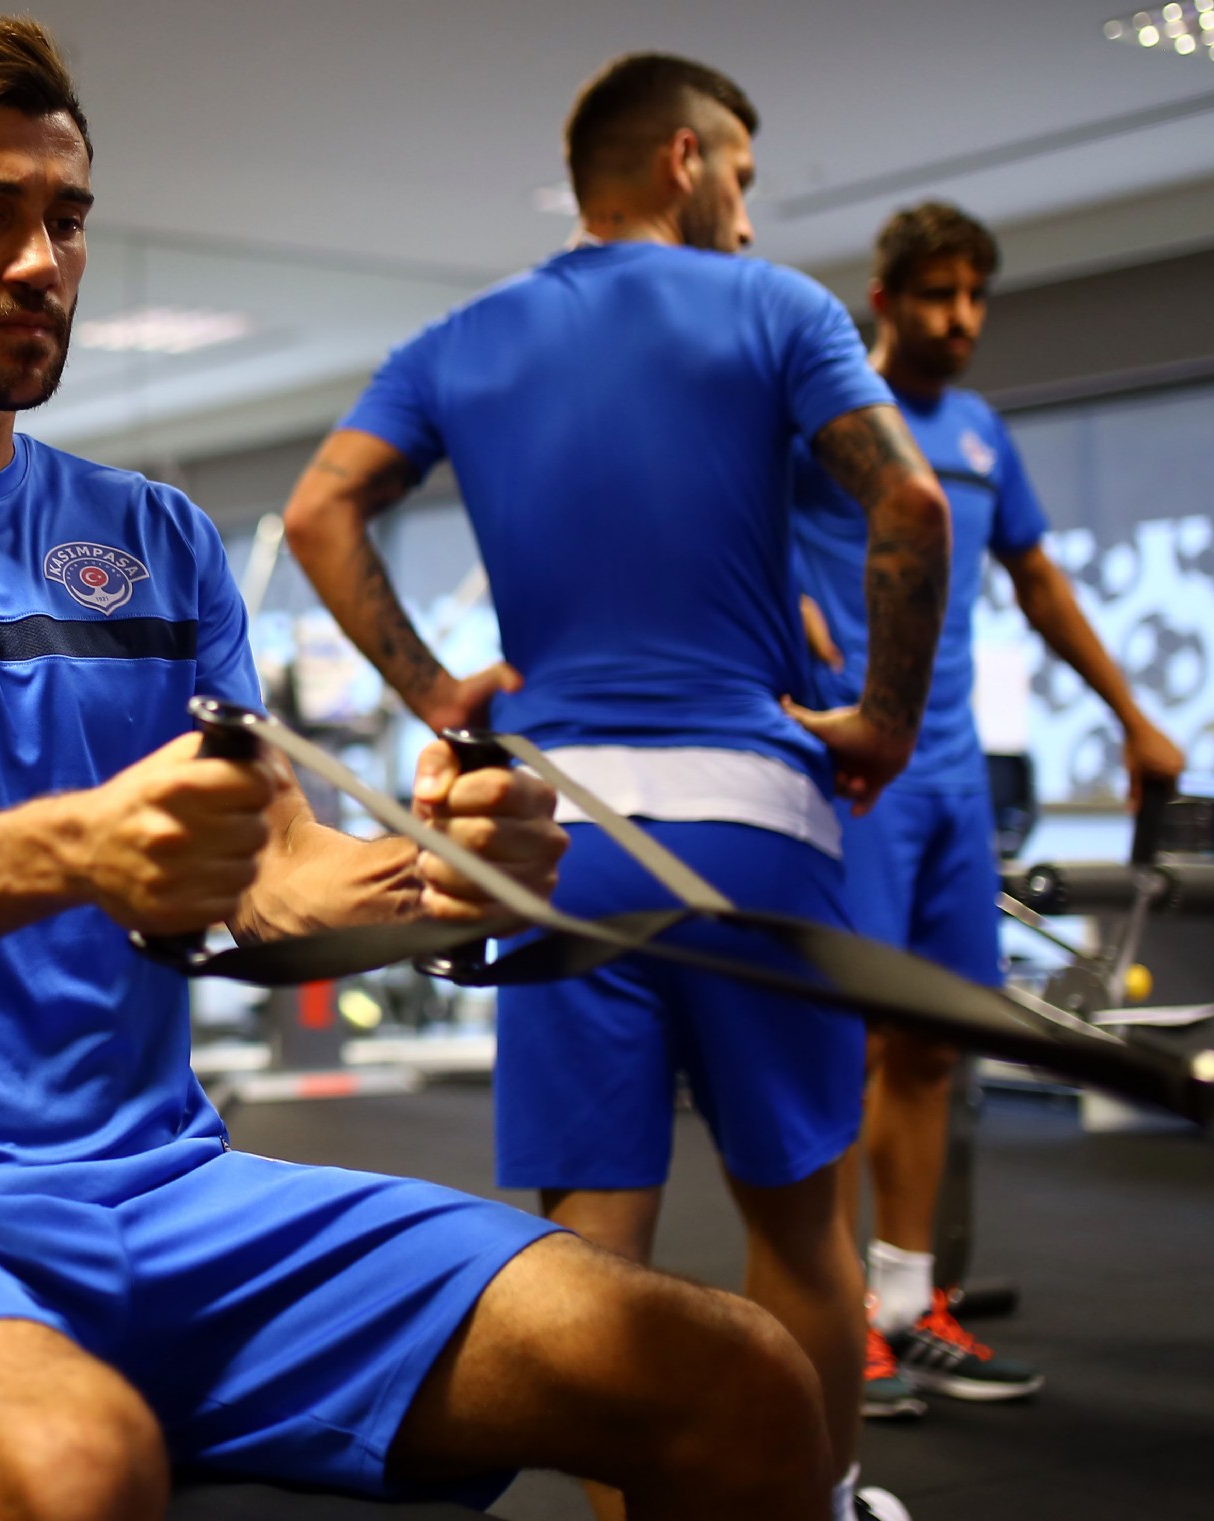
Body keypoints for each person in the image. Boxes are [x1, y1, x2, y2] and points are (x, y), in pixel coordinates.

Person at [0, 19, 843, 1521]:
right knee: (70, 1465)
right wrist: (76, 848)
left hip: (174, 1199)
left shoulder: (158, 540)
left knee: (737, 1375)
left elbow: (275, 876)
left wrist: (442, 875)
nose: (41, 262)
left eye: (67, 217)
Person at [283, 51, 949, 1521]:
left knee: (591, 1253)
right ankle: (825, 1501)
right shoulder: (777, 308)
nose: (750, 220)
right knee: (801, 1225)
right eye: (743, 180)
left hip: (558, 838)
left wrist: (436, 693)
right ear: (682, 161)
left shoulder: (461, 338)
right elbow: (909, 500)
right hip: (757, 823)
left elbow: (322, 509)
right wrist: (883, 723)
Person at [790, 202, 1187, 1413]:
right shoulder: (828, 413)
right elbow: (739, 540)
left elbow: (1039, 581)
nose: (961, 319)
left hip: (955, 775)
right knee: (850, 1045)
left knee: (935, 1043)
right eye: (937, 294)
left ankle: (909, 1306)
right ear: (884, 298)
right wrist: (790, 630)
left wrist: (1132, 717)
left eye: (975, 297)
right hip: (855, 772)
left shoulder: (980, 433)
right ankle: (835, 1324)